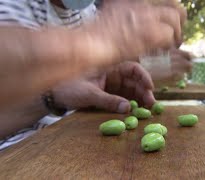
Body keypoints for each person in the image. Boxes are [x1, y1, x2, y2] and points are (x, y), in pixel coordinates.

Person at [0, 0, 185, 143]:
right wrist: (94, 42)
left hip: (67, 140)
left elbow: (95, 60)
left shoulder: (87, 12)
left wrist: (107, 78)